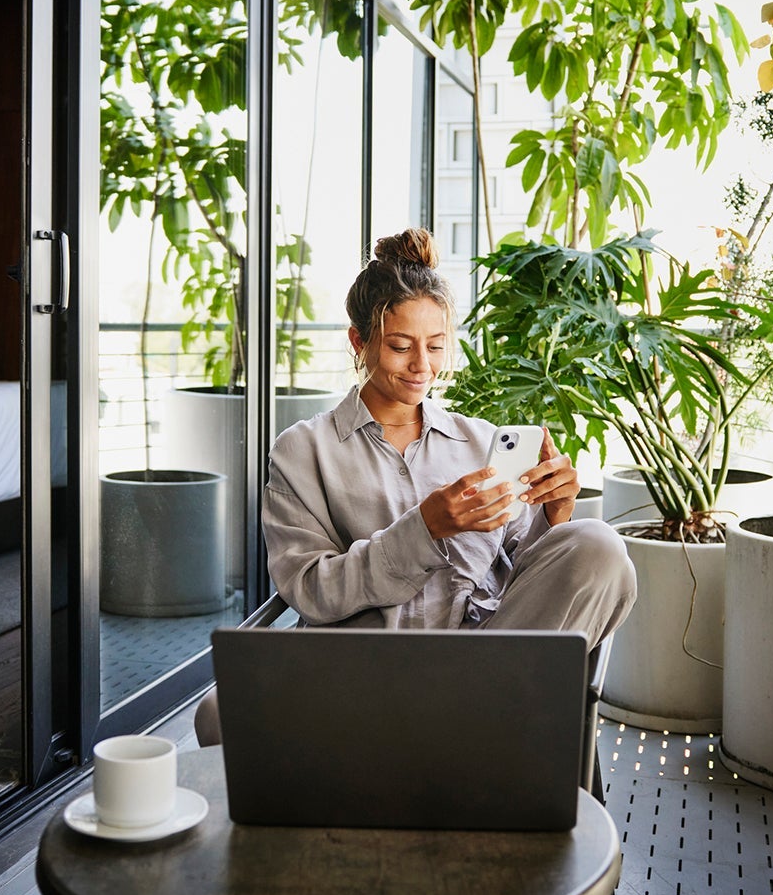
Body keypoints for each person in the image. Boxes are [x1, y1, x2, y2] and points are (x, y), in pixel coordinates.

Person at [195, 229, 636, 745]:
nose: (422, 367)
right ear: (359, 342)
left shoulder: (482, 442)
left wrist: (555, 514)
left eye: (436, 347)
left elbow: (527, 579)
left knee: (599, 543)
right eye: (400, 346)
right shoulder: (303, 451)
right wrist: (424, 529)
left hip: (483, 658)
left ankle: (459, 720)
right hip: (364, 669)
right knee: (218, 714)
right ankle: (463, 738)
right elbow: (311, 591)